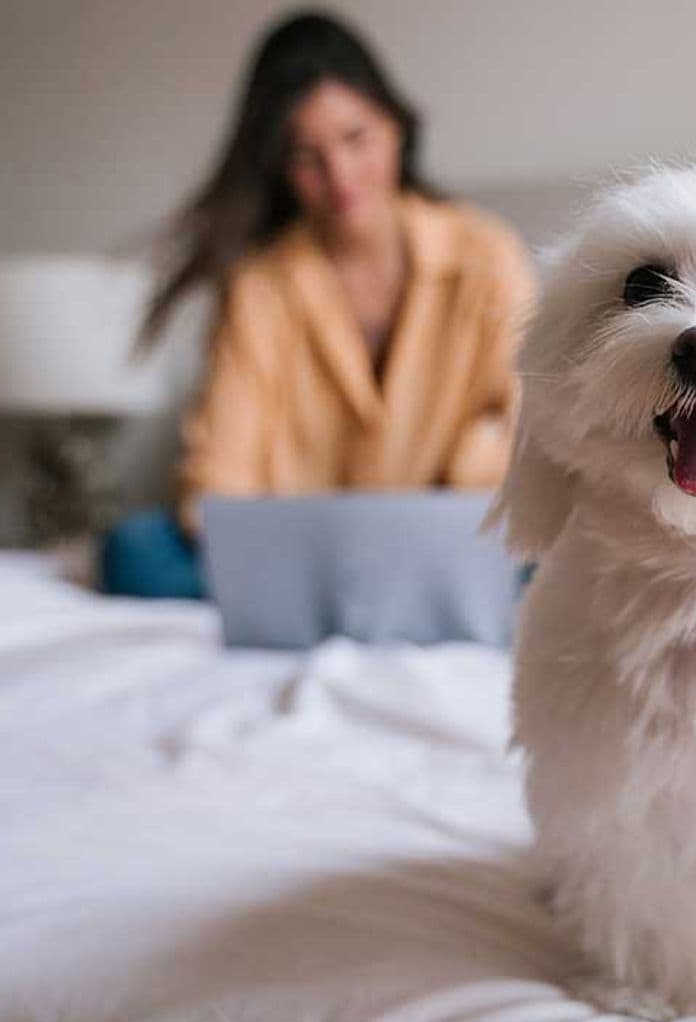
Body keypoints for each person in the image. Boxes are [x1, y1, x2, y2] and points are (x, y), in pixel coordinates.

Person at [102, 11, 534, 598]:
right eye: (309, 157)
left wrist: (454, 486)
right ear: (281, 169)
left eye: (357, 138)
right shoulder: (260, 284)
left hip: (452, 541)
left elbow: (532, 428)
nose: (340, 175)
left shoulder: (487, 253)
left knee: (570, 550)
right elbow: (219, 476)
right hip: (307, 559)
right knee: (132, 552)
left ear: (396, 127)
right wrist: (277, 541)